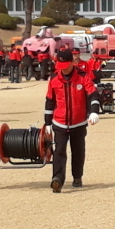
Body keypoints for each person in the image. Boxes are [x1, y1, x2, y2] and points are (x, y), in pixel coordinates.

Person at [44, 50, 100, 193]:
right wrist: (48, 123)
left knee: (78, 151)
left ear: (72, 63)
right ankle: (57, 179)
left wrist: (94, 111)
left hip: (79, 123)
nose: (62, 68)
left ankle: (77, 176)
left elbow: (93, 94)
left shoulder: (83, 77)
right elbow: (50, 101)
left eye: (65, 64)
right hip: (60, 123)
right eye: (60, 64)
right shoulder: (54, 79)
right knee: (59, 152)